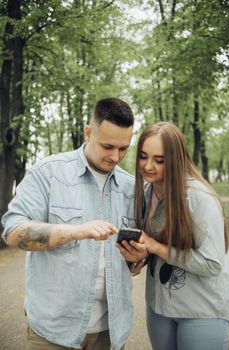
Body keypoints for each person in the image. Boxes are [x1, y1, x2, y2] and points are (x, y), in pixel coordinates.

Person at [1, 97, 136, 350]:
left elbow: (135, 259)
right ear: (88, 132)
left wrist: (138, 258)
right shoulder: (48, 173)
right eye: (107, 146)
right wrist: (73, 231)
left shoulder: (130, 187)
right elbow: (12, 231)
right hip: (54, 332)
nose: (115, 156)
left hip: (111, 332)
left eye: (124, 148)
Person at [117, 122, 229, 350]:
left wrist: (154, 247)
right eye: (143, 156)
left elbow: (212, 264)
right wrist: (138, 257)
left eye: (159, 160)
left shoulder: (199, 198)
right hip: (159, 309)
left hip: (202, 311)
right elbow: (151, 247)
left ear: (176, 159)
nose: (148, 166)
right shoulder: (147, 193)